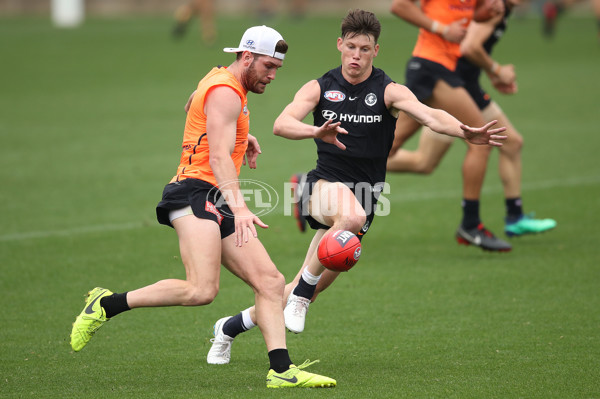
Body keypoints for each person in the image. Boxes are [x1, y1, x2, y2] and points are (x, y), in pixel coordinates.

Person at [204, 9, 507, 365]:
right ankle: (301, 296)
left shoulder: (388, 90)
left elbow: (428, 113)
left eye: (364, 49)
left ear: (375, 51)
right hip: (322, 188)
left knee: (302, 287)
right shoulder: (320, 86)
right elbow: (282, 123)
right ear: (339, 45)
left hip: (366, 199)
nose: (356, 56)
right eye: (350, 47)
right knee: (347, 219)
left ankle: (229, 327)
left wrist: (464, 129)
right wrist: (316, 131)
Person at [69, 25, 336, 389]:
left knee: (270, 282)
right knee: (201, 290)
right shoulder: (227, 91)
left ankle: (281, 371)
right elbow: (219, 155)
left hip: (213, 195)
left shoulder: (220, 80)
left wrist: (241, 132)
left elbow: (193, 104)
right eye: (268, 67)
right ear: (247, 57)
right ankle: (105, 304)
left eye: (277, 69)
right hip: (195, 192)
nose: (272, 76)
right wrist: (241, 207)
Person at [387, 0, 557, 237]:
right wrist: (496, 70)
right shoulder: (493, 8)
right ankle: (473, 223)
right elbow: (469, 46)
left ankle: (507, 218)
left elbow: (469, 23)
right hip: (443, 80)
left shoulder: (495, 9)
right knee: (481, 143)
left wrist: (491, 69)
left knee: (422, 161)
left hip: (457, 85)